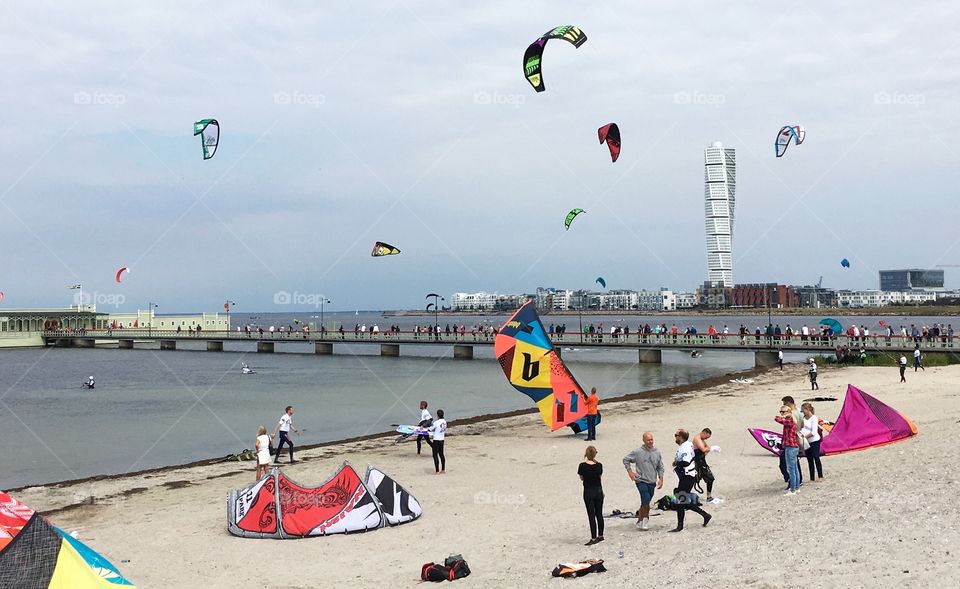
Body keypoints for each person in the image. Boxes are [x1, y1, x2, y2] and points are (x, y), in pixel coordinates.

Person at [669, 429, 711, 532]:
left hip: (688, 476)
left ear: (681, 437)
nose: (675, 437)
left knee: (680, 501)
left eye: (676, 435)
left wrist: (676, 463)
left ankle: (680, 526)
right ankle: (705, 515)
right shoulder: (686, 445)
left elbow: (686, 462)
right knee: (682, 500)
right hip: (687, 476)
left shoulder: (685, 447)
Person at [623, 432, 664, 531]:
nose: (650, 442)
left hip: (652, 481)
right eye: (648, 440)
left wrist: (661, 478)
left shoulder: (657, 452)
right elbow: (626, 459)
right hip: (641, 480)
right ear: (644, 441)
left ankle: (640, 520)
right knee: (646, 501)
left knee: (646, 501)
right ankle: (646, 520)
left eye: (651, 440)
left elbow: (660, 466)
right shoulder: (637, 452)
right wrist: (630, 472)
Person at [578, 445, 604, 546]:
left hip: (588, 491)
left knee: (591, 515)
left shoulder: (582, 466)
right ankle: (600, 534)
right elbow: (599, 477)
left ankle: (593, 537)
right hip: (598, 490)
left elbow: (581, 477)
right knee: (599, 513)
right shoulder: (599, 465)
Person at [778, 396, 803, 488]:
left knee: (790, 465)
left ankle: (793, 484)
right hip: (794, 440)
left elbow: (779, 420)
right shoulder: (798, 412)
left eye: (784, 404)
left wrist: (784, 415)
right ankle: (796, 482)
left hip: (791, 442)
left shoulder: (792, 416)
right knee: (794, 464)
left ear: (789, 403)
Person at [775, 405, 800, 494]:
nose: (781, 414)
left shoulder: (790, 421)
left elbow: (777, 419)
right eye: (780, 412)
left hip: (791, 447)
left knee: (791, 469)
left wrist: (784, 416)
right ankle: (796, 487)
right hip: (792, 446)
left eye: (783, 412)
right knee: (795, 468)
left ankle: (793, 489)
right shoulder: (791, 420)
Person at [692, 428, 718, 501]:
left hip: (701, 461)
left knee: (710, 478)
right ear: (704, 433)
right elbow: (704, 449)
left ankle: (709, 496)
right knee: (694, 479)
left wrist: (708, 449)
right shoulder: (697, 439)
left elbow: (706, 449)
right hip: (697, 462)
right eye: (706, 437)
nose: (706, 439)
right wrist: (711, 448)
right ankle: (688, 496)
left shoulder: (702, 439)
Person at [800, 403, 823, 481]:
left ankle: (820, 476)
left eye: (804, 410)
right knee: (809, 459)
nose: (803, 411)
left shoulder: (814, 418)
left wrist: (804, 438)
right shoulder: (803, 418)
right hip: (807, 442)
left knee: (816, 457)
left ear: (808, 409)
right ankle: (812, 477)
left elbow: (813, 432)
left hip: (814, 440)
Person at [428, 409, 447, 474]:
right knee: (441, 454)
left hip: (436, 440)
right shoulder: (444, 422)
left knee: (435, 455)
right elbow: (440, 429)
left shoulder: (436, 422)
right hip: (442, 439)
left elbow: (430, 429)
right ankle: (443, 469)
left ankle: (437, 471)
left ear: (437, 415)